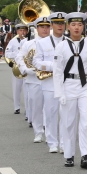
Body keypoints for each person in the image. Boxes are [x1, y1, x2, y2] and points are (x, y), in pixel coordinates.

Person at [53, 12, 87, 169]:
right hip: (68, 85)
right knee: (68, 122)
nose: (76, 28)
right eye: (73, 25)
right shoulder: (61, 47)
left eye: (80, 25)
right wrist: (59, 92)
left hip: (86, 85)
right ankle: (68, 155)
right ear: (68, 27)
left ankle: (85, 155)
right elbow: (57, 71)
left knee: (86, 120)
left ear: (84, 27)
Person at [34, 12, 67, 153]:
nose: (60, 26)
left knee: (66, 114)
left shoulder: (70, 41)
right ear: (52, 25)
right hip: (50, 83)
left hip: (68, 82)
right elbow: (36, 62)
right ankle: (52, 142)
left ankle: (65, 143)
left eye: (62, 23)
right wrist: (53, 66)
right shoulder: (42, 43)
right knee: (51, 113)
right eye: (57, 23)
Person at [17, 17, 48, 141]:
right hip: (34, 79)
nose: (45, 30)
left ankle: (50, 132)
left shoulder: (55, 43)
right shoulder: (28, 44)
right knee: (36, 107)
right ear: (37, 28)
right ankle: (38, 132)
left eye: (47, 27)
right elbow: (19, 58)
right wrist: (25, 69)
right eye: (42, 27)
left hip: (50, 79)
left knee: (51, 108)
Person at [6, 23, 28, 115]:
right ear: (17, 31)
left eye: (24, 30)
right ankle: (17, 107)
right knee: (16, 88)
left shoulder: (29, 41)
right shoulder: (12, 41)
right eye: (20, 30)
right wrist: (17, 53)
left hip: (27, 67)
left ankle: (28, 109)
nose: (22, 32)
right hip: (17, 67)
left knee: (27, 90)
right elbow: (7, 54)